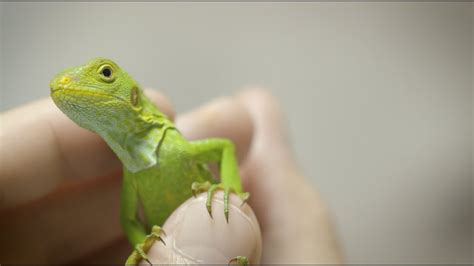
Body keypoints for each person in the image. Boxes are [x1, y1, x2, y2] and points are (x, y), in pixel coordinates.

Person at [0, 88, 343, 263]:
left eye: (105, 74)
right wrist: (145, 250)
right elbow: (129, 221)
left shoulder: (174, 146)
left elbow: (224, 148)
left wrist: (231, 194)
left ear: (132, 96)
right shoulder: (131, 172)